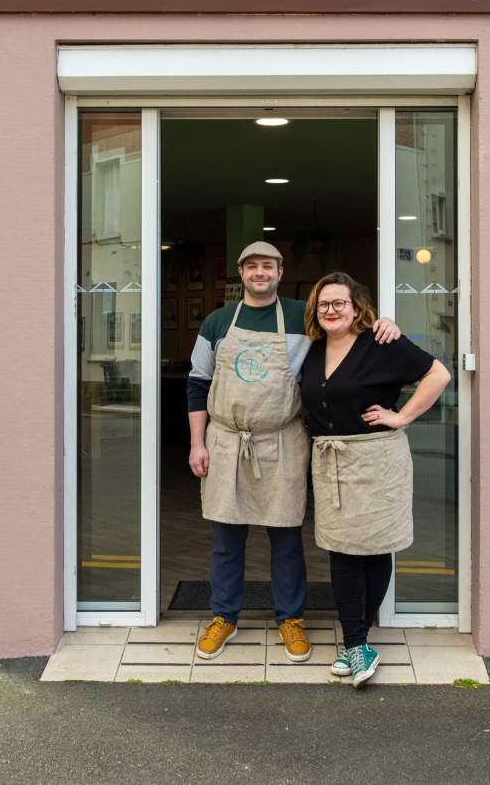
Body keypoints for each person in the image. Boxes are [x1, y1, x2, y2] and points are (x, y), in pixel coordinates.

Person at [186, 242, 400, 662]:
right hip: (227, 440)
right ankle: (224, 616)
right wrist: (197, 442)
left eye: (268, 265)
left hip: (282, 440)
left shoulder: (304, 316)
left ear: (280, 272)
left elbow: (347, 334)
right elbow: (197, 382)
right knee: (226, 537)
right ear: (241, 272)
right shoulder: (216, 321)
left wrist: (383, 324)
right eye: (252, 266)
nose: (259, 272)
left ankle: (291, 618)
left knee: (286, 537)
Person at [301, 271, 450, 688]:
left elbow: (438, 374)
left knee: (374, 547)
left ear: (356, 307)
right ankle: (356, 642)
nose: (331, 311)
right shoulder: (313, 349)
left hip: (377, 460)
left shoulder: (381, 342)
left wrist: (401, 416)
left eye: (339, 303)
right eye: (323, 304)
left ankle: (356, 642)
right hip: (332, 460)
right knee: (342, 549)